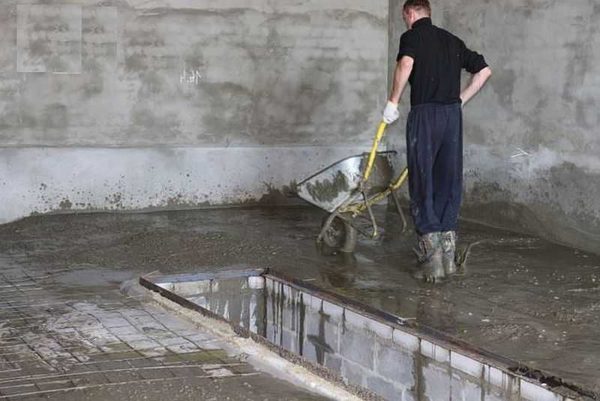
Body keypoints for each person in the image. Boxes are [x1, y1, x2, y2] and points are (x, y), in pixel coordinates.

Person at [383, 0, 492, 282]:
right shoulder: (451, 40)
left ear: (409, 13)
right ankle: (448, 259)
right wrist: (460, 101)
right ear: (428, 12)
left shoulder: (412, 36)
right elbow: (484, 71)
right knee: (448, 178)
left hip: (426, 114)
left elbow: (406, 63)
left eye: (405, 16)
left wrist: (392, 102)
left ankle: (432, 261)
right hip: (451, 116)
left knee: (423, 178)